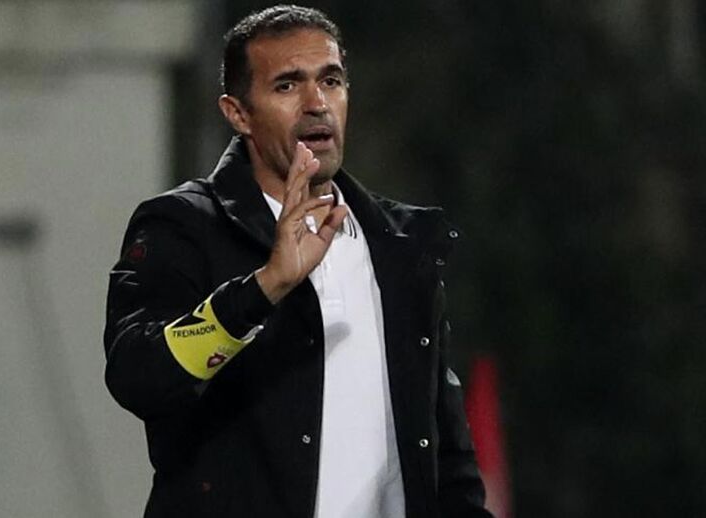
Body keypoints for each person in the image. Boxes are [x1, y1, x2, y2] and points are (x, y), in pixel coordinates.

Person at [104, 5, 492, 518]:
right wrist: (264, 287)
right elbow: (139, 376)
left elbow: (447, 454)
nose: (316, 103)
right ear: (238, 113)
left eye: (330, 81)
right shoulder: (184, 226)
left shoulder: (401, 245)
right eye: (287, 85)